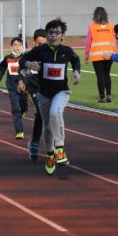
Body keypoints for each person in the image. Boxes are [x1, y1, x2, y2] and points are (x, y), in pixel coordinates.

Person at [19, 18, 81, 175]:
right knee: (47, 124)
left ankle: (60, 148)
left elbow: (76, 59)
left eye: (57, 33)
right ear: (47, 35)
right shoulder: (40, 51)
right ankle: (50, 154)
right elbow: (23, 59)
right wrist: (28, 65)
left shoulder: (66, 51)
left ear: (63, 35)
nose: (54, 36)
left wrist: (76, 72)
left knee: (55, 113)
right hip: (44, 93)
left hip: (61, 91)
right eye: (51, 33)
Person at [18, 28, 47, 161]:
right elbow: (21, 67)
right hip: (32, 88)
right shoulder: (29, 55)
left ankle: (52, 146)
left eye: (44, 44)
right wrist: (21, 81)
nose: (41, 46)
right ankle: (35, 144)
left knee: (48, 117)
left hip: (46, 89)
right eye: (39, 43)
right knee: (39, 113)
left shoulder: (49, 56)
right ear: (34, 42)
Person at [0, 37, 28, 139]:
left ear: (22, 47)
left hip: (23, 86)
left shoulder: (25, 58)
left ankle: (24, 110)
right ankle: (19, 131)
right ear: (11, 47)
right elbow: (2, 68)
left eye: (19, 45)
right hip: (11, 87)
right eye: (15, 45)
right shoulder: (7, 58)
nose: (17, 47)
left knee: (23, 106)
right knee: (16, 108)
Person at [85, 6, 116, 103]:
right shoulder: (111, 26)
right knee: (107, 75)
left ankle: (102, 97)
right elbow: (114, 42)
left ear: (95, 15)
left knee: (100, 76)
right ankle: (109, 95)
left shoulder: (92, 26)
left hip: (97, 56)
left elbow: (88, 42)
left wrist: (86, 56)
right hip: (109, 55)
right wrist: (114, 56)